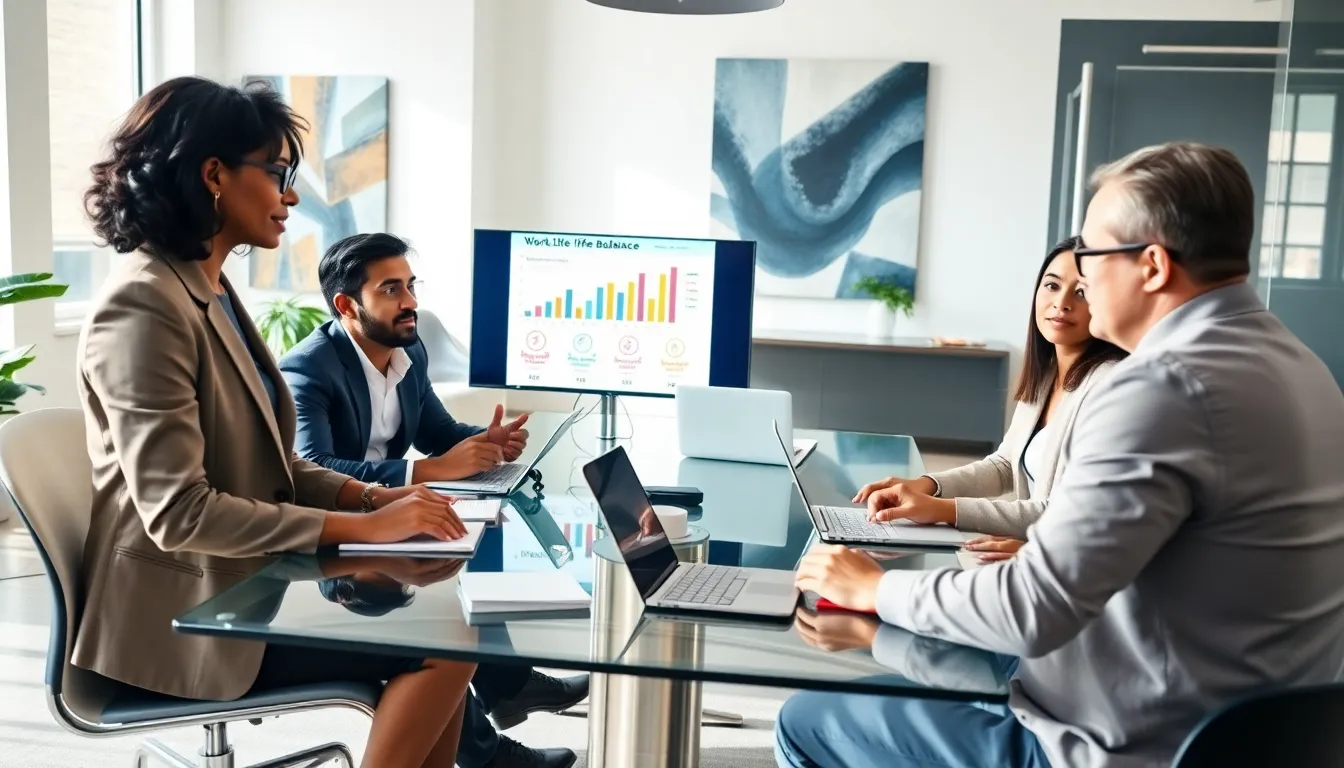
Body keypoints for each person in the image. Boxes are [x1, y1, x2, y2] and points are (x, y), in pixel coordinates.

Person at [781, 142, 1344, 768]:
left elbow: (1034, 610)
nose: (1081, 278)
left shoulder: (1162, 386)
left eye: (1094, 256)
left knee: (804, 719)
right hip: (1252, 735)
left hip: (1121, 743)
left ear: (1152, 266)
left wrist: (875, 588)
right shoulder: (1303, 368)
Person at [77, 76, 479, 768]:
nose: (291, 195)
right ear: (213, 176)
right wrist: (362, 527)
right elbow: (180, 513)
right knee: (443, 644)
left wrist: (377, 498)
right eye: (278, 173)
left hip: (242, 583)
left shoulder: (210, 286)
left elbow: (272, 463)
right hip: (184, 620)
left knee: (450, 626)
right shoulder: (144, 307)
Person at [279, 232, 586, 768]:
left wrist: (485, 443)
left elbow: (437, 429)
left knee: (476, 543)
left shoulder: (409, 350)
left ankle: (508, 683)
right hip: (338, 541)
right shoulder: (308, 370)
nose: (411, 302)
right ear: (347, 305)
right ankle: (494, 734)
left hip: (398, 518)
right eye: (392, 289)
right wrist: (426, 471)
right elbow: (315, 468)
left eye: (412, 286)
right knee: (439, 611)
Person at [853, 236, 1126, 563]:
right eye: (1052, 286)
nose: (1062, 302)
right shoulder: (1046, 373)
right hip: (1025, 551)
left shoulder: (1109, 384)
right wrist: (927, 485)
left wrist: (944, 509)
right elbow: (1004, 465)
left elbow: (1062, 512)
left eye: (1081, 292)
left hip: (1056, 564)